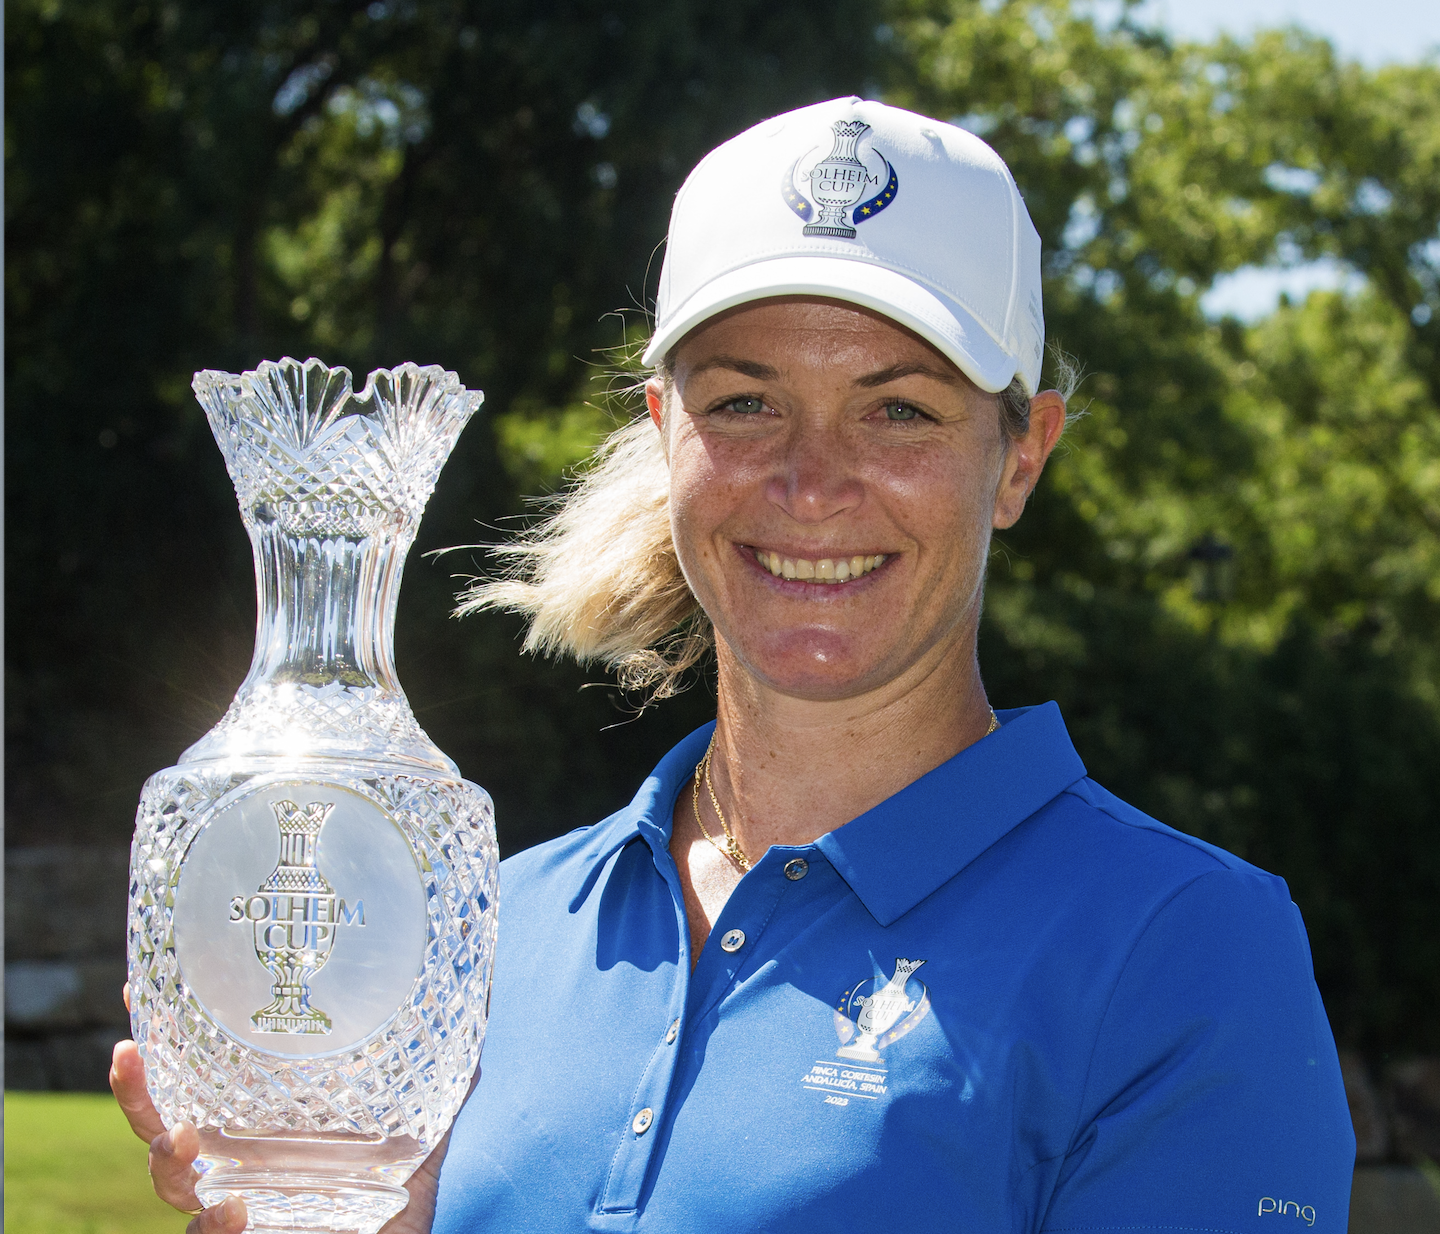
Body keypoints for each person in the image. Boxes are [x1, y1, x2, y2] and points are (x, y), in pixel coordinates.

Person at [113, 96, 1355, 1233]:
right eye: (746, 403)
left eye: (900, 408)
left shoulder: (1186, 948)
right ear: (665, 431)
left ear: (1022, 455)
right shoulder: (490, 928)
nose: (812, 483)